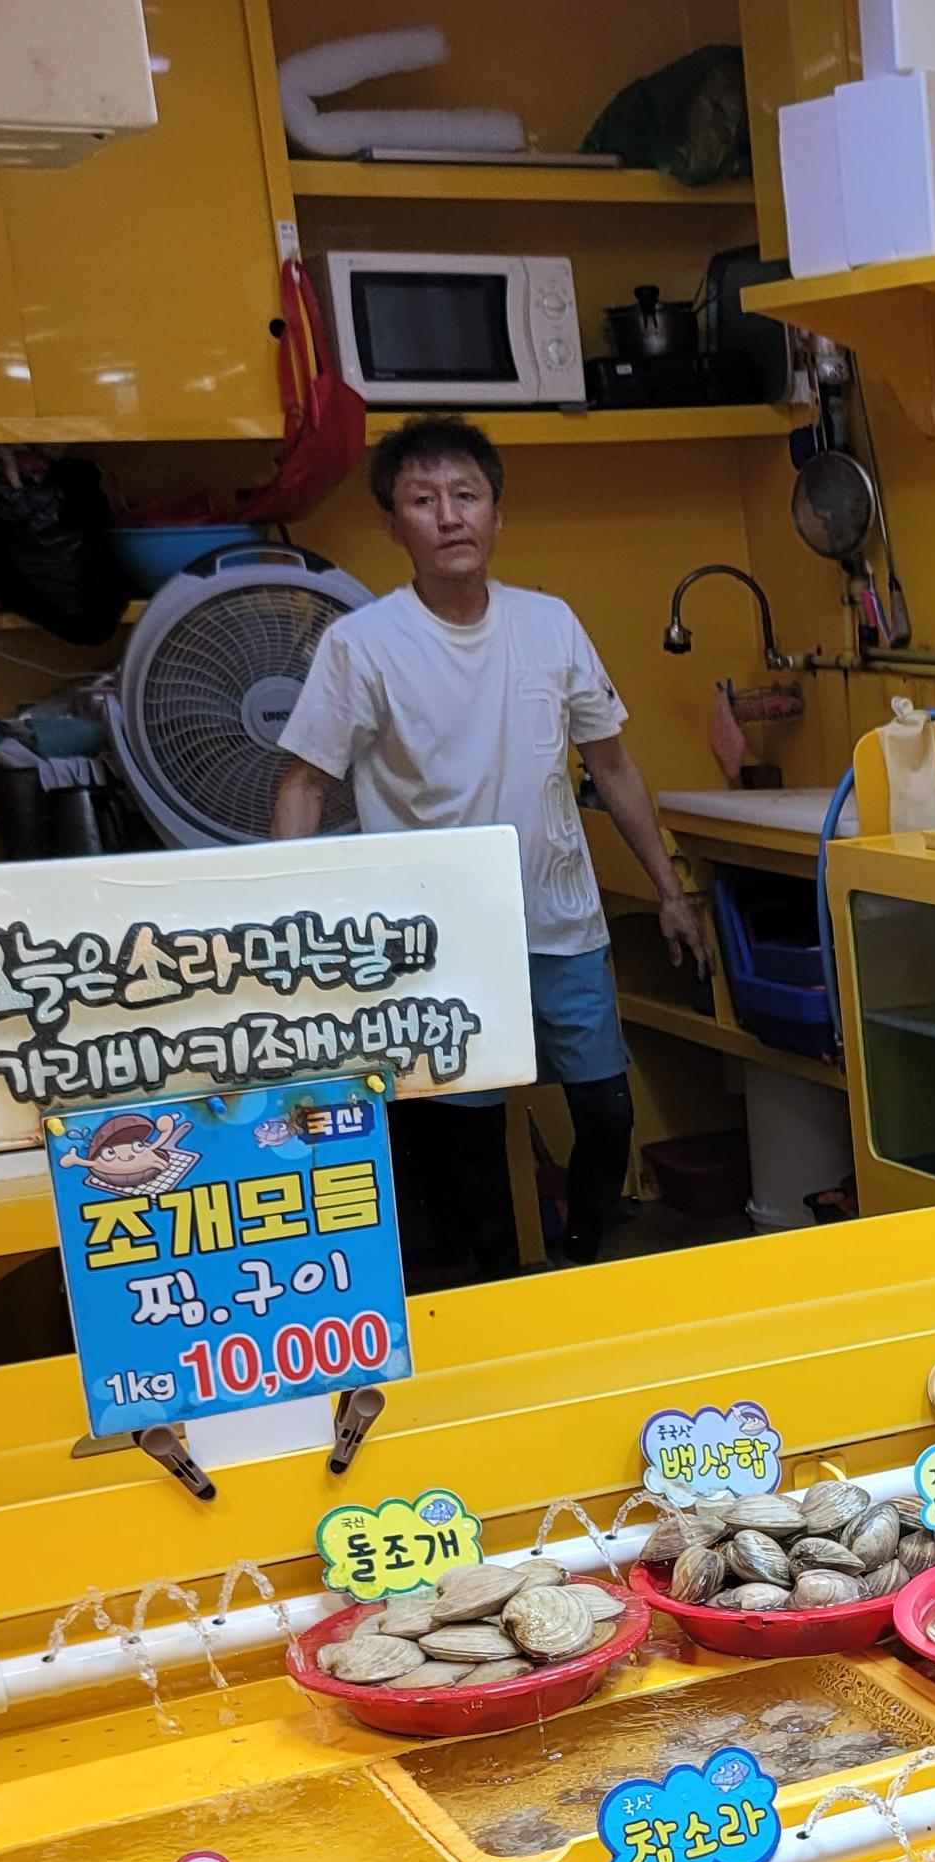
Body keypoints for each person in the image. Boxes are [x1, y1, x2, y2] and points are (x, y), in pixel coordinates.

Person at [271, 415, 707, 1276]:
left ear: (497, 514)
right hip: (437, 945)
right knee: (465, 1139)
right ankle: (500, 1287)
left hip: (560, 921)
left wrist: (670, 890)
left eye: (466, 495)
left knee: (607, 1110)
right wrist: (287, 926)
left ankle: (580, 1254)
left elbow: (612, 766)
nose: (449, 516)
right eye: (423, 500)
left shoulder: (550, 624)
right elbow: (304, 784)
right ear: (394, 526)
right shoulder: (363, 645)